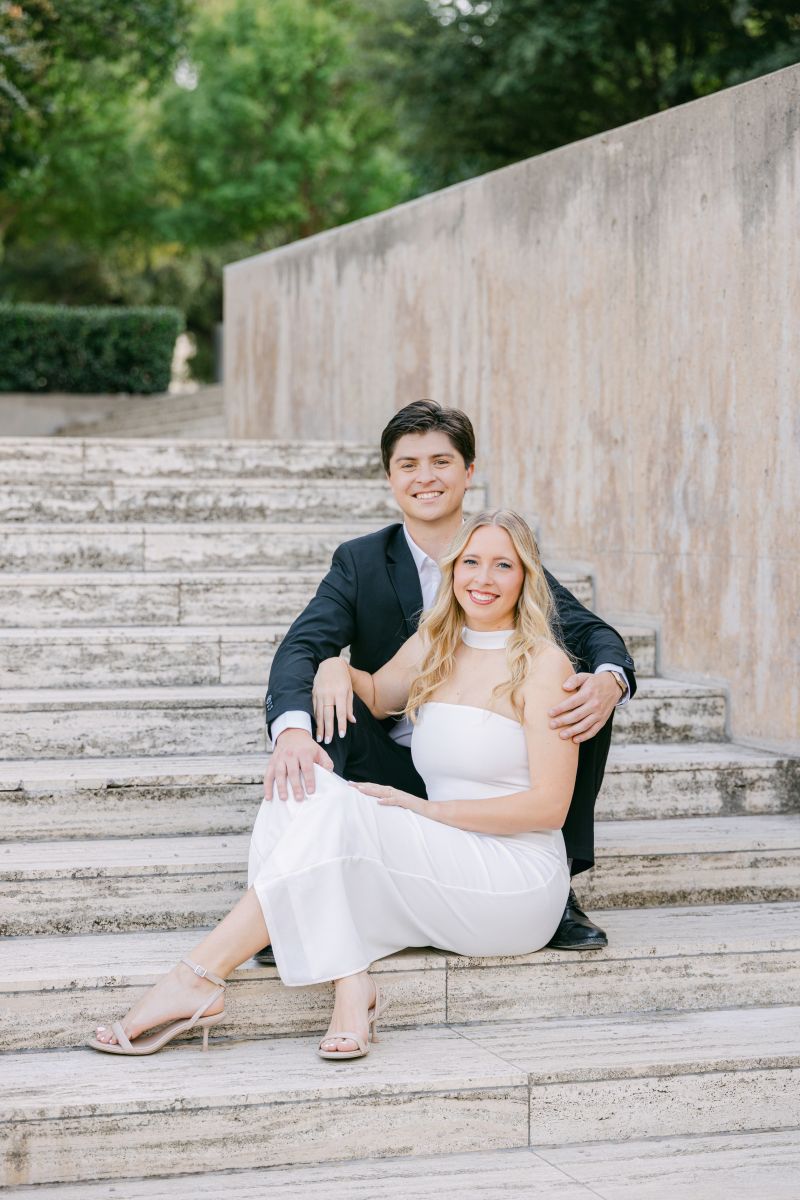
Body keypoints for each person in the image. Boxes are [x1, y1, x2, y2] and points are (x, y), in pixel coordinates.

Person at [90, 510, 577, 1060]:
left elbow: (549, 807)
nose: (483, 579)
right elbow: (376, 694)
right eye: (471, 562)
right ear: (453, 569)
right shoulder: (437, 643)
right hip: (442, 857)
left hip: (513, 881)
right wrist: (332, 668)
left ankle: (198, 976)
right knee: (300, 786)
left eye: (502, 566)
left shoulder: (544, 665)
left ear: (525, 576)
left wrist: (424, 811)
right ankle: (349, 983)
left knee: (337, 812)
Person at [262, 400, 636, 955]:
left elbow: (587, 630)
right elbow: (302, 646)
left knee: (579, 696)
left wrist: (610, 681)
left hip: (484, 770)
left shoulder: (499, 551)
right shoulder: (361, 561)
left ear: (468, 472)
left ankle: (557, 888)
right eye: (408, 464)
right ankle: (294, 891)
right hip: (395, 756)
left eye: (441, 461)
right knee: (323, 703)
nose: (426, 477)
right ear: (390, 476)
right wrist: (319, 689)